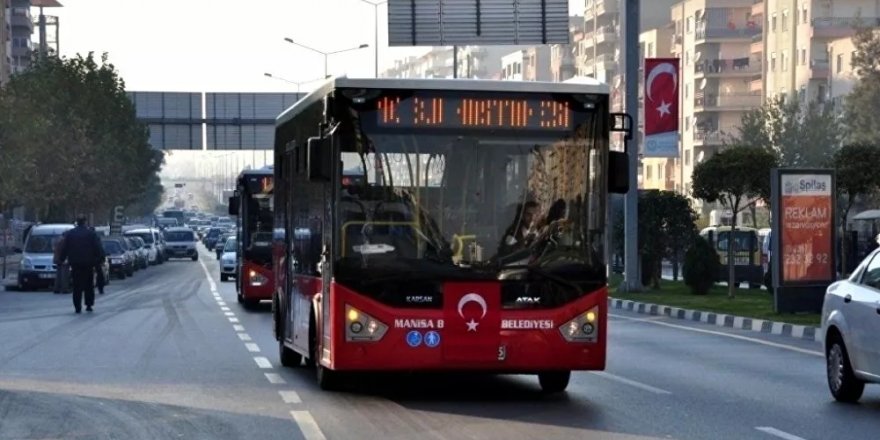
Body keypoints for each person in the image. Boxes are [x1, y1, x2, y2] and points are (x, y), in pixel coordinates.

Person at [59, 216, 103, 313]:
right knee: (88, 285)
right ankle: (89, 304)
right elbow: (97, 247)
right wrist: (99, 259)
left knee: (77, 286)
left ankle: (77, 306)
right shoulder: (91, 234)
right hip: (88, 263)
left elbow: (65, 248)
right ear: (85, 222)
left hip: (75, 263)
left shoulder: (70, 234)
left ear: (77, 222)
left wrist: (61, 259)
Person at [91, 227, 107, 295]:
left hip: (88, 259)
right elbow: (100, 249)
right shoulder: (97, 238)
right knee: (99, 274)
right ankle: (100, 288)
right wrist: (102, 258)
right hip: (96, 259)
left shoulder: (86, 238)